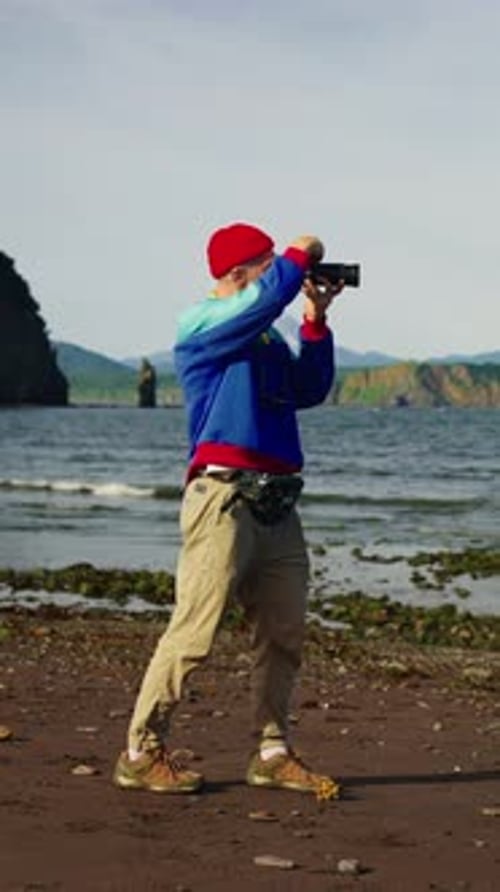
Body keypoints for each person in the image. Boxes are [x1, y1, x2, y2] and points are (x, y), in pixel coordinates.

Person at [113, 222, 344, 796]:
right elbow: (267, 297)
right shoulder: (202, 324)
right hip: (222, 497)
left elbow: (308, 390)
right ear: (240, 273)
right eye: (268, 265)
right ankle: (139, 752)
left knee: (283, 632)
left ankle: (272, 753)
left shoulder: (264, 337)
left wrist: (315, 321)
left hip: (276, 501)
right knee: (195, 629)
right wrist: (300, 252)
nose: (277, 274)